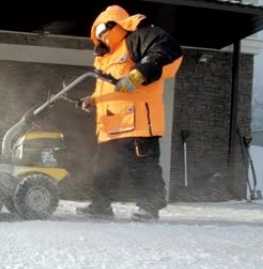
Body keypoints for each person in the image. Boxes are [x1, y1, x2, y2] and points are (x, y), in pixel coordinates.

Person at [77, 4, 183, 221]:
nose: (102, 36)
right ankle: (101, 206)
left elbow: (167, 49)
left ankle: (149, 207)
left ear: (116, 24)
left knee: (142, 166)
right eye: (97, 33)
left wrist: (136, 76)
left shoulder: (136, 38)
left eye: (104, 30)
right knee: (104, 168)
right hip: (111, 126)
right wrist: (93, 100)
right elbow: (108, 87)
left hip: (138, 121)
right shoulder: (105, 59)